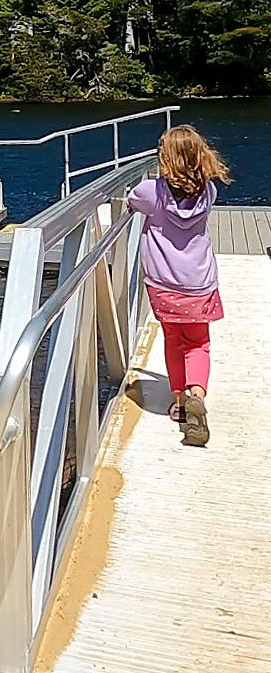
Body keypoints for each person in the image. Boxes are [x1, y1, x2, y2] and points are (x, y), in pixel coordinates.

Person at [127, 124, 231, 447]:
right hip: (199, 284)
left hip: (164, 286)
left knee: (174, 340)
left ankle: (180, 405)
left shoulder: (152, 193)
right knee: (199, 343)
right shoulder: (209, 192)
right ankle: (197, 393)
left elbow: (132, 199)